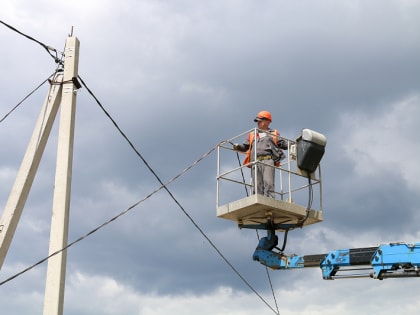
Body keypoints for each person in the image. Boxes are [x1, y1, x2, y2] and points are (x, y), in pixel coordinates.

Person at [233, 111, 287, 198]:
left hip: (268, 160)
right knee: (257, 183)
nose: (258, 123)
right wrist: (238, 147)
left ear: (268, 121)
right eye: (257, 121)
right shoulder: (252, 134)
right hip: (255, 161)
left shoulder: (273, 133)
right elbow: (245, 146)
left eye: (260, 120)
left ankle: (269, 200)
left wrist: (293, 145)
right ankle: (258, 199)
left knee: (268, 182)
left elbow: (282, 143)